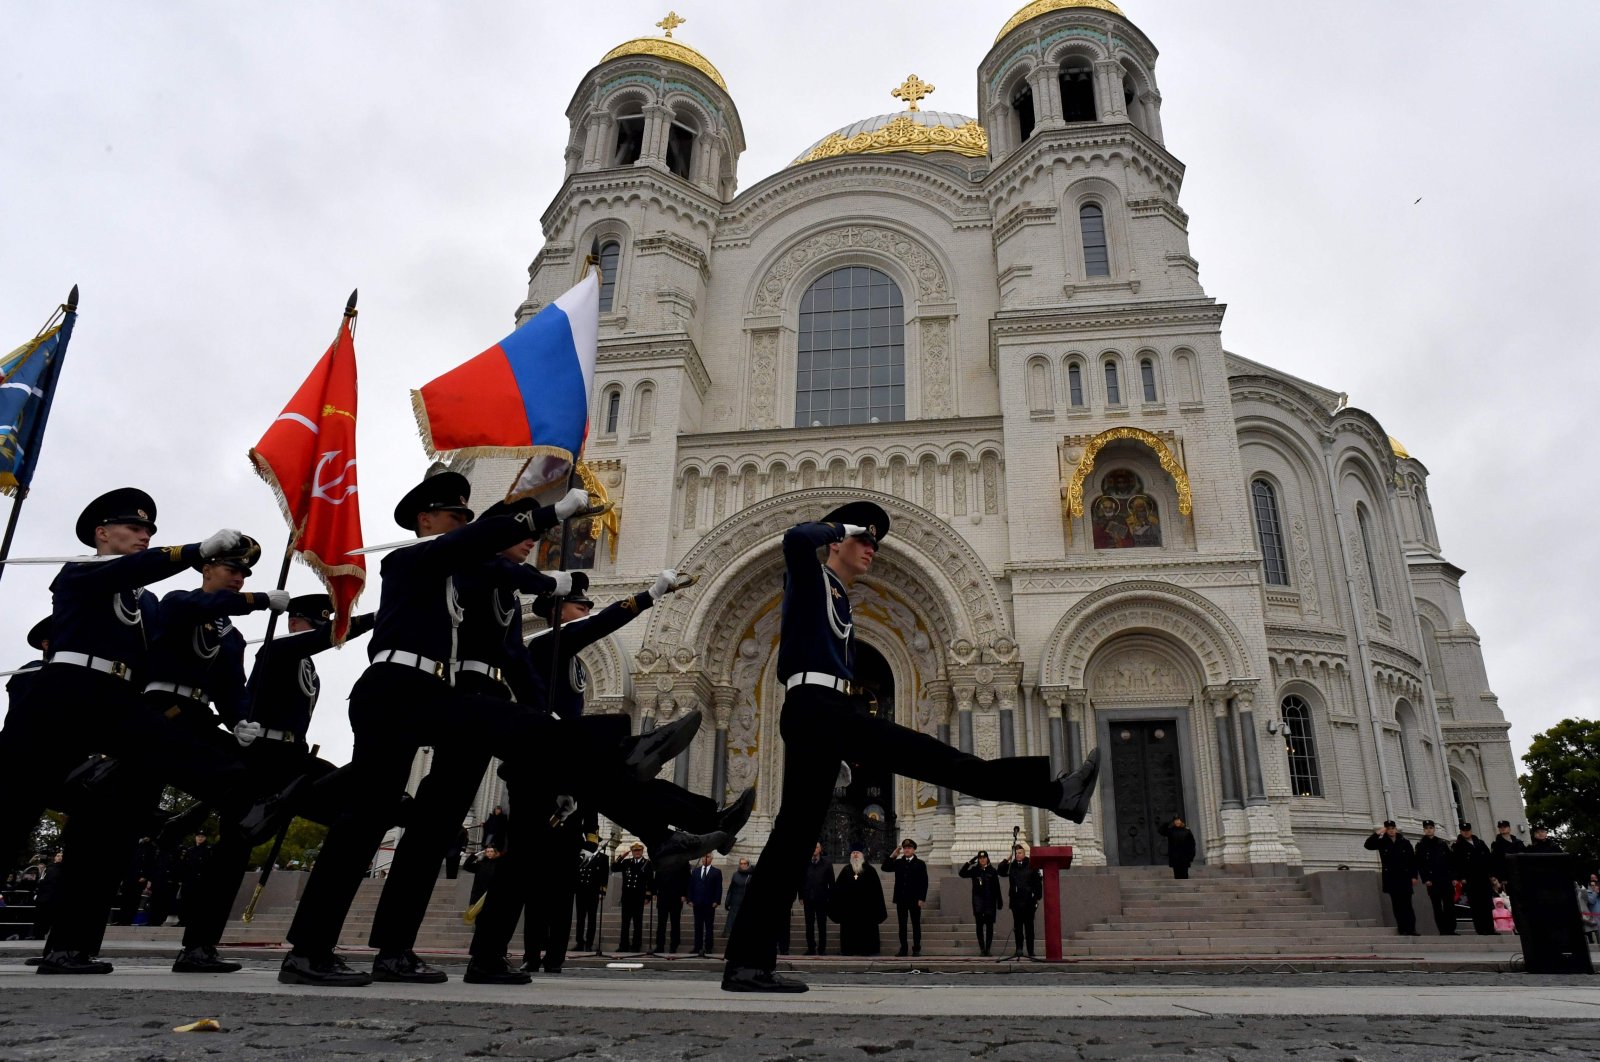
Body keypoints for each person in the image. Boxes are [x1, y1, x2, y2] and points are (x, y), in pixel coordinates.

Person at [279, 473, 691, 988]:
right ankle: (307, 951)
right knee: (363, 821)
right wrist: (551, 516)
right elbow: (481, 549)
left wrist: (552, 585)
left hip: (434, 694)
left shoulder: (458, 574)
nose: (462, 525)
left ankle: (393, 950)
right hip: (392, 688)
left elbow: (495, 582)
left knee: (464, 787)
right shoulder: (409, 560)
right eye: (453, 517)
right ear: (425, 521)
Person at [720, 501, 1102, 992]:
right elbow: (796, 538)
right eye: (866, 540)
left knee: (790, 845)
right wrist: (844, 526)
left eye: (875, 542)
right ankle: (1056, 794)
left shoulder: (841, 600)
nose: (873, 550)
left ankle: (748, 964)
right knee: (935, 760)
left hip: (828, 716)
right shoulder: (810, 577)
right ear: (838, 542)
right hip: (816, 709)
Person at [0, 489, 259, 975]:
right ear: (103, 533)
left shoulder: (147, 604)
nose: (144, 535)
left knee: (109, 828)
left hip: (116, 698)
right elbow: (131, 571)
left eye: (149, 532)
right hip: (63, 692)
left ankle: (70, 947)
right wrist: (191, 553)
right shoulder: (81, 571)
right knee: (12, 814)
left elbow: (186, 622)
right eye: (134, 529)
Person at [828, 845, 886, 956]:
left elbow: (877, 892)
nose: (855, 854)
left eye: (857, 852)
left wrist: (876, 909)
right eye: (853, 852)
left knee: (867, 931)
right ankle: (848, 950)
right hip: (849, 910)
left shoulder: (870, 870)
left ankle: (869, 950)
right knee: (849, 931)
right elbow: (837, 890)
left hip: (866, 910)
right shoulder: (846, 870)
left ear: (862, 855)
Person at [1363, 820, 1419, 935]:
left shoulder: (1405, 842)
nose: (1391, 830)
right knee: (1397, 905)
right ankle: (1402, 929)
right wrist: (1378, 832)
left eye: (1393, 828)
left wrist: (1414, 876)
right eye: (1388, 828)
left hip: (1405, 878)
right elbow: (1368, 845)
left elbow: (1412, 861)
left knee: (1408, 905)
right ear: (1386, 830)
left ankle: (1411, 929)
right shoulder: (1382, 842)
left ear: (1396, 829)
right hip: (1392, 878)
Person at [882, 837, 929, 958]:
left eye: (909, 848)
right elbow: (884, 867)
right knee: (902, 925)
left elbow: (924, 883)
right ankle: (903, 949)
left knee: (915, 925)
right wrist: (893, 855)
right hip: (901, 899)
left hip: (914, 899)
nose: (907, 850)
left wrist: (921, 898)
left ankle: (916, 949)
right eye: (905, 848)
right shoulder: (898, 862)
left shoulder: (920, 864)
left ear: (914, 850)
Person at [997, 843, 1042, 958]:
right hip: (1016, 902)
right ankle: (1019, 949)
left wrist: (1037, 897)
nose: (1018, 855)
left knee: (1029, 928)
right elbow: (1001, 871)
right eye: (1016, 853)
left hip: (1029, 902)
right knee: (1018, 928)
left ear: (1024, 853)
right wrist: (1008, 858)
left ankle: (1031, 951)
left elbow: (1037, 882)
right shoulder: (1012, 866)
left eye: (1020, 852)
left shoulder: (1031, 865)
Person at [1451, 821, 1495, 935]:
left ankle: (1490, 929)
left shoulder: (1480, 843)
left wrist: (1491, 875)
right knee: (1476, 906)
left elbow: (1488, 859)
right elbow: (1456, 863)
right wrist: (1460, 877)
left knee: (1487, 904)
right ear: (1461, 832)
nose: (1466, 833)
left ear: (1471, 831)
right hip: (1470, 879)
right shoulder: (1458, 846)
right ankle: (1481, 930)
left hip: (1483, 878)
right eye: (1464, 831)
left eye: (1468, 830)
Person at [1414, 819, 1456, 935]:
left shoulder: (1442, 844)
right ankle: (1443, 930)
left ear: (1434, 829)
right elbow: (1420, 864)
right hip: (1433, 881)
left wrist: (1453, 877)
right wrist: (1426, 879)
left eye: (1431, 828)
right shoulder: (1421, 845)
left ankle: (1451, 929)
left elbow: (1450, 861)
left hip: (1446, 879)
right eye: (1426, 828)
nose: (1429, 830)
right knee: (1437, 906)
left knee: (1449, 905)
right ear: (1424, 830)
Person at [959, 850, 1004, 956]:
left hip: (990, 903)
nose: (982, 860)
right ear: (978, 859)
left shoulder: (992, 871)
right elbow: (962, 874)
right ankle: (982, 949)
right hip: (978, 903)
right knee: (979, 927)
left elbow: (997, 888)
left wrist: (999, 901)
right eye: (980, 858)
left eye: (984, 858)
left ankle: (988, 949)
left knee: (989, 927)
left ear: (987, 858)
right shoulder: (975, 870)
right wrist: (969, 863)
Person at [573, 831, 610, 951]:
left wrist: (602, 891)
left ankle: (589, 943)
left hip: (593, 892)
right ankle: (579, 942)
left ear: (597, 844)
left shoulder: (603, 858)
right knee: (580, 918)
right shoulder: (581, 855)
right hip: (581, 891)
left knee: (592, 919)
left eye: (592, 843)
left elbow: (604, 876)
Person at [613, 841, 653, 953]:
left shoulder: (647, 863)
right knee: (625, 923)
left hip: (638, 897)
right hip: (627, 897)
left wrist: (648, 896)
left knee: (637, 923)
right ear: (632, 851)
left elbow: (650, 881)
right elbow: (614, 868)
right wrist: (621, 857)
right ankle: (623, 945)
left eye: (639, 850)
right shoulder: (626, 862)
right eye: (635, 850)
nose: (637, 852)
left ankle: (636, 945)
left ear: (642, 851)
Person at [688, 853, 723, 957]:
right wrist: (690, 899)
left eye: (707, 857)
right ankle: (697, 947)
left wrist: (717, 901)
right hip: (697, 903)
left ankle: (708, 947)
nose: (704, 858)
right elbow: (691, 886)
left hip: (709, 904)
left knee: (709, 927)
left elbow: (718, 888)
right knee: (698, 926)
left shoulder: (716, 872)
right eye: (703, 856)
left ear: (711, 859)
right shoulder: (695, 871)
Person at [801, 842, 833, 955]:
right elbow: (801, 881)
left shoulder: (827, 864)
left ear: (820, 849)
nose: (814, 849)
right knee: (809, 925)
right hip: (808, 899)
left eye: (816, 847)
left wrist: (829, 897)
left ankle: (822, 949)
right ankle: (811, 948)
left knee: (822, 925)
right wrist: (801, 896)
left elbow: (831, 883)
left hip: (822, 899)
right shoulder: (805, 863)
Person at [653, 858, 689, 955]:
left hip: (676, 896)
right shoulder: (662, 859)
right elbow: (657, 876)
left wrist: (684, 894)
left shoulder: (683, 860)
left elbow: (686, 878)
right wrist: (654, 892)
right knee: (661, 923)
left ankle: (674, 945)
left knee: (675, 923)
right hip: (663, 896)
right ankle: (659, 945)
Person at [1490, 820, 1526, 896]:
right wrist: (1501, 879)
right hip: (1507, 878)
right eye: (1501, 827)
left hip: (1520, 876)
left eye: (1505, 827)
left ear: (1509, 828)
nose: (1503, 829)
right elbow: (1495, 863)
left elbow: (1524, 858)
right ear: (1499, 829)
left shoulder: (1518, 842)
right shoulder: (1496, 845)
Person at [725, 857, 752, 938]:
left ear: (748, 864)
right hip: (735, 901)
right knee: (732, 920)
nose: (743, 865)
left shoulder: (751, 875)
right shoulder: (735, 874)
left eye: (745, 863)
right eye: (741, 863)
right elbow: (731, 888)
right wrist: (727, 901)